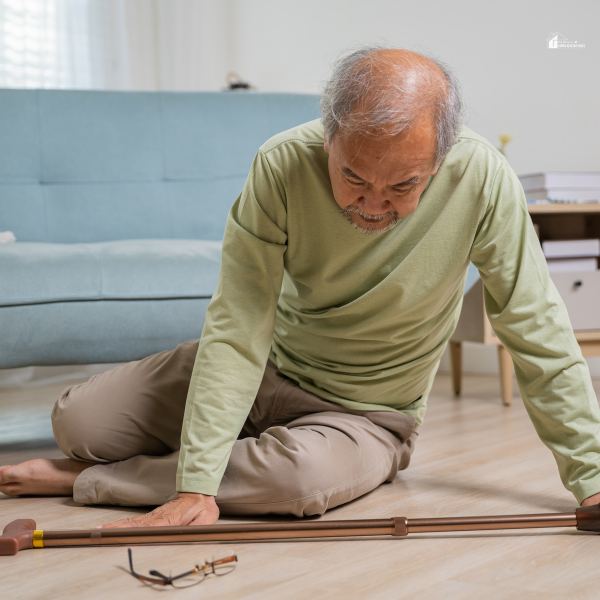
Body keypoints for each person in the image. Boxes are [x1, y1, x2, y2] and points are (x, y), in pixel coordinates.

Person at [2, 46, 600, 528]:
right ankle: (194, 457)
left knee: (298, 481)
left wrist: (593, 480)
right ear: (329, 135)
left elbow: (537, 330)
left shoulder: (485, 180)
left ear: (442, 158)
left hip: (367, 416)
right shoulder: (281, 164)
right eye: (353, 176)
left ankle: (94, 480)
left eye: (401, 186)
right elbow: (239, 328)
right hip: (265, 367)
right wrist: (194, 481)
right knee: (78, 424)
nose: (371, 204)